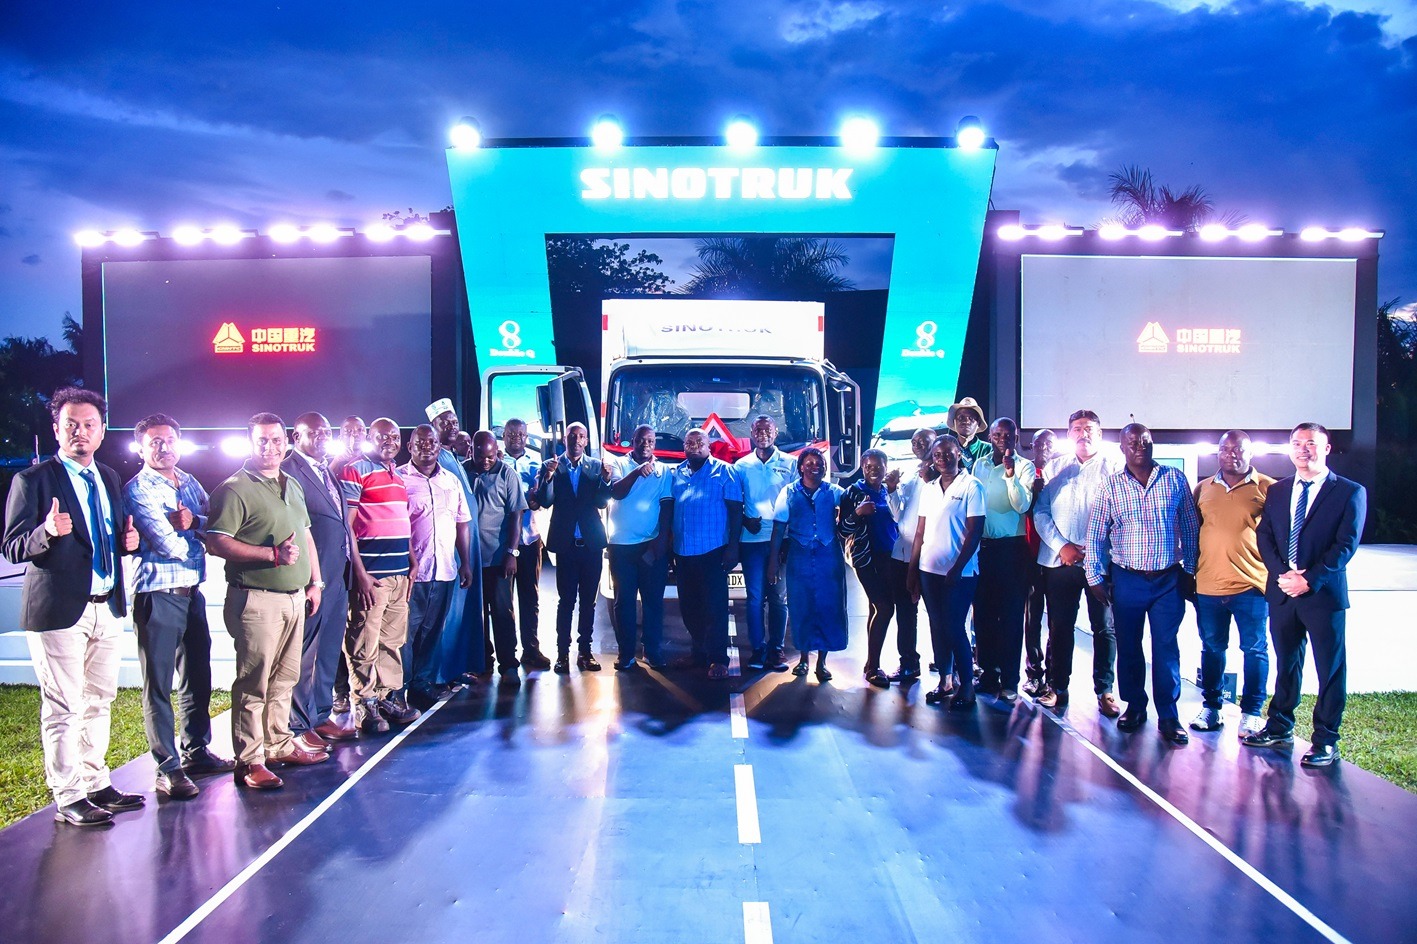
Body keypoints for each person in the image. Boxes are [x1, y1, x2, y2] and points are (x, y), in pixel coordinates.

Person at [3, 387, 143, 825]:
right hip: (60, 609)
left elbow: (106, 534)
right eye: (71, 425)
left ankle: (96, 780)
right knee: (64, 706)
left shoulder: (108, 477)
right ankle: (68, 797)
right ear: (57, 430)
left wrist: (128, 543)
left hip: (105, 603)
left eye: (88, 425)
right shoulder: (33, 481)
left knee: (99, 699)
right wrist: (45, 531)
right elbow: (12, 546)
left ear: (101, 431)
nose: (80, 432)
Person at [205, 412, 328, 790]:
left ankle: (277, 744)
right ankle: (250, 760)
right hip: (256, 599)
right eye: (262, 441)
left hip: (294, 598)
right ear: (250, 443)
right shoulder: (234, 488)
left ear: (286, 441)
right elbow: (216, 542)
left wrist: (315, 582)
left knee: (285, 678)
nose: (270, 447)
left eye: (276, 440)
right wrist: (270, 557)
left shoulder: (291, 484)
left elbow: (304, 535)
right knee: (254, 682)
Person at [124, 413, 232, 801]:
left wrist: (193, 523)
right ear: (141, 447)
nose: (164, 446)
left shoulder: (189, 482)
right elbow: (166, 542)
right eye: (154, 441)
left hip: (192, 593)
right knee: (159, 685)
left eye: (170, 439)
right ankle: (167, 767)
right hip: (158, 595)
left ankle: (196, 751)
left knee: (197, 676)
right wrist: (196, 533)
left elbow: (215, 522)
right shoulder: (138, 489)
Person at [1245, 423, 1366, 768]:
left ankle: (1326, 739)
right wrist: (1283, 575)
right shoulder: (1279, 491)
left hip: (1323, 596)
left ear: (1326, 449)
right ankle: (1280, 726)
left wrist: (1309, 579)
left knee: (1330, 669)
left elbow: (1345, 545)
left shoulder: (1348, 492)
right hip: (1283, 592)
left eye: (1310, 443)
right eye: (1296, 443)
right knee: (1287, 664)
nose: (1302, 449)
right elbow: (1264, 536)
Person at [1086, 423, 1199, 745]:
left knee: (1165, 648)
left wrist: (1189, 571)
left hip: (1167, 580)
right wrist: (1095, 577)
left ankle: (1169, 715)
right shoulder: (1110, 487)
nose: (1139, 446)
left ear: (1153, 445)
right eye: (1132, 442)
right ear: (1122, 448)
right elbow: (1095, 537)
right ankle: (1135, 706)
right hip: (1127, 579)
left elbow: (1191, 529)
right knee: (1130, 647)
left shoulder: (1174, 479)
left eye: (1145, 441)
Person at [1033, 411, 1122, 716]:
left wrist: (1095, 551)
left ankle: (1105, 691)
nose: (1083, 434)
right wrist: (1063, 546)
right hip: (1060, 563)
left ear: (1100, 433)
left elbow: (1123, 516)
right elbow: (1041, 513)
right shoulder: (1056, 467)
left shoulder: (1116, 467)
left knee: (1105, 628)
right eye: (1077, 429)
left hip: (1102, 564)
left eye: (1089, 428)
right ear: (1069, 434)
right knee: (1059, 627)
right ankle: (1058, 688)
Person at [281, 412, 358, 748]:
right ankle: (297, 724)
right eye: (314, 432)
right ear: (296, 437)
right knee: (305, 653)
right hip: (311, 578)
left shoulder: (325, 469)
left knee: (328, 650)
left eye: (327, 431)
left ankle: (321, 714)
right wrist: (310, 577)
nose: (323, 436)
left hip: (336, 576)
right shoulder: (288, 471)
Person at [1190, 430, 1274, 737]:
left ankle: (1251, 712)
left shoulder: (1268, 488)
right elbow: (1193, 533)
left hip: (1251, 586)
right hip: (1209, 587)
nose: (1232, 455)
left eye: (1238, 450)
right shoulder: (1202, 489)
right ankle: (1212, 708)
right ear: (1217, 454)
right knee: (1212, 648)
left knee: (1254, 649)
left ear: (1251, 454)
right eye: (1225, 450)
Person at [340, 418, 419, 733]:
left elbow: (401, 522)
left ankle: (387, 697)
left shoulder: (397, 476)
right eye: (381, 436)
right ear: (368, 439)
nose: (390, 441)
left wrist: (412, 561)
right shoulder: (355, 470)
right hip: (372, 575)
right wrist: (358, 572)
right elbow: (347, 525)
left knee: (391, 640)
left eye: (395, 436)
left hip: (399, 573)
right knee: (364, 640)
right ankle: (365, 703)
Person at [907, 436, 985, 710]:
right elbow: (920, 533)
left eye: (948, 453)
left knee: (954, 627)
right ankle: (945, 680)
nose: (942, 458)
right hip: (929, 571)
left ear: (959, 454)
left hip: (959, 574)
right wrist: (913, 571)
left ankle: (967, 687)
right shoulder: (929, 489)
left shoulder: (972, 486)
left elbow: (974, 531)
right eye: (937, 454)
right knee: (937, 628)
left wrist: (958, 567)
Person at [400, 424, 474, 708]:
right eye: (420, 442)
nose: (427, 447)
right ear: (410, 447)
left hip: (444, 569)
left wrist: (465, 561)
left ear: (439, 446)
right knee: (405, 635)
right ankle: (399, 691)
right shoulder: (401, 480)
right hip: (413, 574)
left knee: (432, 632)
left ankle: (422, 685)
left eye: (432, 442)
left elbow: (462, 523)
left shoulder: (452, 481)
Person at [529, 422, 612, 673]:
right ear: (564, 439)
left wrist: (606, 481)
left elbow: (600, 502)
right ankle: (562, 654)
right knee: (566, 601)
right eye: (572, 436)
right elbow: (544, 500)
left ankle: (585, 652)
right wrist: (549, 477)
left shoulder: (596, 466)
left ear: (586, 441)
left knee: (589, 602)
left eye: (581, 436)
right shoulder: (551, 466)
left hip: (591, 545)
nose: (576, 440)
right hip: (566, 546)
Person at [669, 427, 744, 679]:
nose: (694, 446)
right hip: (683, 551)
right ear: (684, 447)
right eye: (689, 442)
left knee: (715, 607)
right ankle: (697, 653)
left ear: (708, 446)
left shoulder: (725, 472)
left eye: (699, 442)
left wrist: (733, 547)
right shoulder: (676, 473)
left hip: (713, 551)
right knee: (690, 607)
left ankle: (718, 659)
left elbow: (736, 512)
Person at [970, 418, 1035, 703]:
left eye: (1008, 435)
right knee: (983, 615)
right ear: (991, 436)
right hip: (983, 548)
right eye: (997, 434)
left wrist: (1010, 475)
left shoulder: (1024, 466)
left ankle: (1010, 680)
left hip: (1012, 550)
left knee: (1009, 617)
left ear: (1016, 437)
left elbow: (1022, 504)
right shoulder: (980, 465)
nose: (1002, 439)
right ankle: (987, 674)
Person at [768, 448, 848, 680]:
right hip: (799, 556)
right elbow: (779, 528)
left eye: (820, 463)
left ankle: (822, 662)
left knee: (828, 607)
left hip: (828, 556)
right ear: (801, 467)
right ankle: (803, 659)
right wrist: (773, 561)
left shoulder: (834, 492)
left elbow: (855, 504)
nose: (816, 466)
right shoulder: (788, 492)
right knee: (801, 606)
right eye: (810, 463)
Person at [606, 424, 673, 670]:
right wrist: (636, 473)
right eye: (641, 440)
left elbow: (666, 508)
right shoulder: (618, 464)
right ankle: (626, 654)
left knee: (653, 601)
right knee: (623, 601)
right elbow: (616, 492)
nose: (646, 445)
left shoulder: (664, 470)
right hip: (621, 546)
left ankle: (652, 650)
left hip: (650, 546)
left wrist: (658, 546)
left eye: (650, 441)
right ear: (632, 441)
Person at [427, 398, 484, 681]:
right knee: (448, 613)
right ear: (432, 427)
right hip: (451, 547)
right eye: (444, 422)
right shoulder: (434, 458)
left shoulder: (454, 456)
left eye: (454, 422)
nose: (451, 426)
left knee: (463, 611)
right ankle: (439, 674)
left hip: (467, 544)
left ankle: (456, 668)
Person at [734, 415, 796, 671]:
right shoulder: (741, 466)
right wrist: (746, 521)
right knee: (754, 597)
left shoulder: (791, 464)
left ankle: (777, 649)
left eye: (767, 429)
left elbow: (795, 502)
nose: (762, 433)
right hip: (751, 541)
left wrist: (786, 541)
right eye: (758, 429)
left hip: (780, 540)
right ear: (751, 432)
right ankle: (758, 650)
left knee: (778, 598)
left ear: (776, 433)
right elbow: (736, 502)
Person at [838, 448, 902, 687]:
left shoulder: (889, 491)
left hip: (890, 557)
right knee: (885, 608)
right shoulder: (853, 492)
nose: (874, 470)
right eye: (869, 466)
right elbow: (842, 530)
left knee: (876, 608)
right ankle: (873, 667)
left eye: (879, 466)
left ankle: (870, 663)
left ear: (886, 467)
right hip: (866, 559)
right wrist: (857, 513)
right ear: (863, 468)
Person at [468, 429, 527, 677]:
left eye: (490, 457)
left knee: (502, 612)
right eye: (481, 456)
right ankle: (482, 661)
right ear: (472, 451)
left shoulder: (507, 473)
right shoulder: (461, 471)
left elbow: (517, 514)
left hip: (498, 557)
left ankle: (508, 664)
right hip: (470, 559)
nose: (486, 461)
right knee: (475, 615)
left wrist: (512, 552)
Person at [882, 427, 938, 682]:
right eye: (914, 441)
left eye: (923, 440)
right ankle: (908, 663)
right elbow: (897, 516)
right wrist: (892, 490)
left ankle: (945, 665)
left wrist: (930, 481)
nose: (917, 444)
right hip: (901, 555)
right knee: (905, 613)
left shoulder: (944, 478)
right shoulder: (911, 478)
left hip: (930, 558)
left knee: (938, 613)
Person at [501, 418, 551, 670]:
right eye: (511, 434)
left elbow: (540, 500)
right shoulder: (496, 462)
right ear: (504, 435)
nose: (516, 438)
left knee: (530, 597)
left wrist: (537, 496)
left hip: (530, 538)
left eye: (520, 434)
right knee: (503, 601)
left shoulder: (536, 465)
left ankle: (531, 649)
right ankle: (506, 654)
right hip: (503, 543)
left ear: (526, 436)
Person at [1021, 429, 1057, 697]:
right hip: (1030, 557)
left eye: (1049, 443)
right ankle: (1034, 673)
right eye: (1039, 443)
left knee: (1058, 620)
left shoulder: (1061, 475)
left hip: (1057, 559)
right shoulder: (1024, 473)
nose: (1044, 447)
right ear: (1031, 446)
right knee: (1032, 619)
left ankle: (1055, 676)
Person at [949, 397, 991, 471]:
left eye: (971, 418)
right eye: (961, 417)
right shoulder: (946, 449)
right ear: (954, 421)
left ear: (978, 423)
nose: (966, 421)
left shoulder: (989, 450)